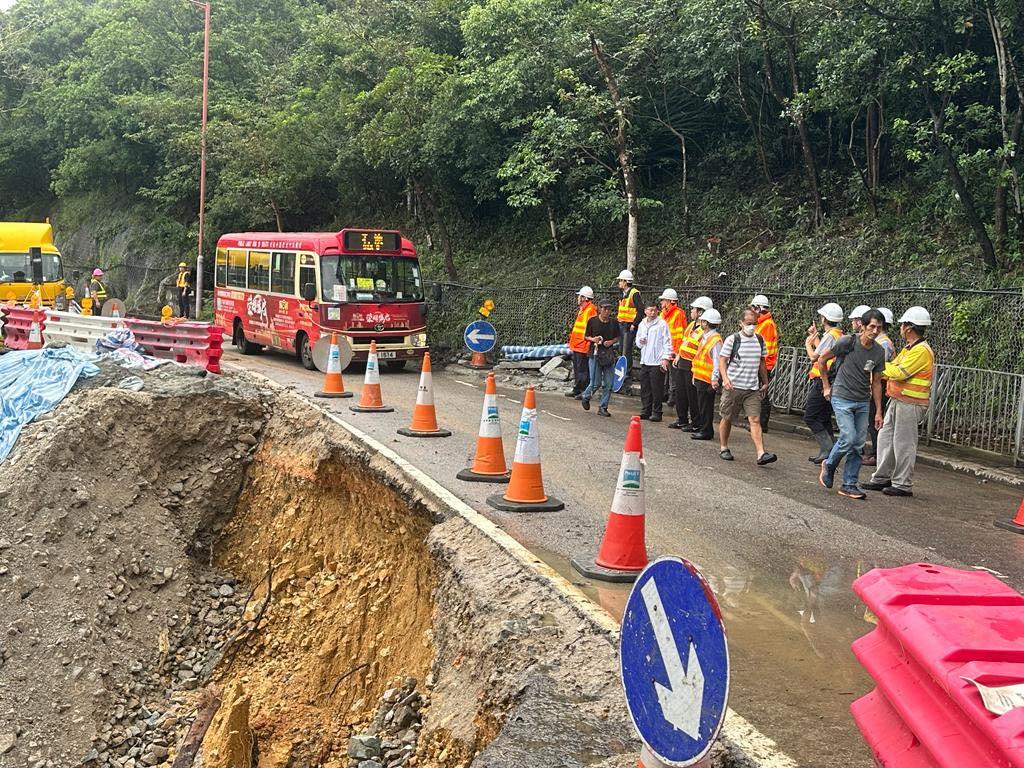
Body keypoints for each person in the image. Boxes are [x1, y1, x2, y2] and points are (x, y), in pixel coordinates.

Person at [862, 307, 934, 497]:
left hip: (911, 403)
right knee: (886, 438)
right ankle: (882, 477)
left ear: (909, 327)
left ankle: (902, 484)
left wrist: (878, 369)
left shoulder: (921, 351)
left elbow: (900, 372)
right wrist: (882, 368)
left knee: (904, 443)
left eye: (903, 325)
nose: (900, 327)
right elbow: (893, 365)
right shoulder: (910, 348)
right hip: (898, 400)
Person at [817, 309, 886, 500]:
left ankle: (849, 484)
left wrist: (878, 410)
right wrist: (825, 386)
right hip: (841, 395)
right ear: (862, 326)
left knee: (857, 444)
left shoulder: (879, 352)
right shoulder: (848, 342)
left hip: (863, 400)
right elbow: (822, 359)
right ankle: (829, 465)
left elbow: (877, 382)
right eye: (871, 326)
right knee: (848, 437)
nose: (874, 331)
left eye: (878, 328)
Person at [718, 308, 778, 465]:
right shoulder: (733, 340)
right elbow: (723, 360)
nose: (751, 326)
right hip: (733, 387)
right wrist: (725, 378)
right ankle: (724, 447)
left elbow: (761, 362)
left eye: (754, 323)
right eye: (748, 323)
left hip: (752, 388)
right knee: (727, 418)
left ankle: (761, 453)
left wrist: (765, 381)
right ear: (741, 323)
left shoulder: (759, 340)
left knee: (755, 419)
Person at [803, 302, 844, 463]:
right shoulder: (837, 334)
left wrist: (808, 344)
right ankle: (829, 451)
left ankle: (827, 449)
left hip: (824, 380)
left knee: (811, 415)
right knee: (825, 416)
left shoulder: (831, 335)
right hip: (830, 379)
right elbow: (824, 351)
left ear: (824, 318)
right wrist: (816, 337)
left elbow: (815, 357)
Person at [671, 296, 712, 431]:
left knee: (692, 395)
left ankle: (695, 423)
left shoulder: (704, 330)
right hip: (682, 362)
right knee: (680, 393)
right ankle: (682, 419)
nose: (692, 311)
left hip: (692, 365)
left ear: (701, 312)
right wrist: (678, 356)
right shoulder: (691, 326)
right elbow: (684, 342)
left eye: (694, 309)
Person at [863, 307, 896, 466]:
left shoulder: (883, 344)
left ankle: (877, 454)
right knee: (872, 420)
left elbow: (877, 367)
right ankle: (875, 452)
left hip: (880, 383)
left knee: (875, 420)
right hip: (877, 383)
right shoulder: (880, 341)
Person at [580, 300, 620, 416]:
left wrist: (611, 342)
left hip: (608, 355)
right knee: (595, 382)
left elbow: (617, 337)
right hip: (595, 353)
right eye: (604, 309)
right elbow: (586, 336)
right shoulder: (593, 321)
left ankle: (603, 407)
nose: (607, 311)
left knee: (608, 383)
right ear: (599, 309)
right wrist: (594, 339)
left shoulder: (614, 323)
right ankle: (586, 396)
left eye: (609, 309)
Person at [635, 301, 672, 422]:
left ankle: (657, 412)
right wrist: (641, 341)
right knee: (645, 387)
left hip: (657, 362)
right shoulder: (642, 324)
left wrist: (666, 358)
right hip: (645, 360)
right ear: (645, 311)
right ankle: (646, 410)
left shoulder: (662, 324)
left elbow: (667, 341)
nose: (652, 312)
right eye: (650, 310)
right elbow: (637, 342)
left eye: (654, 310)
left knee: (657, 388)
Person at [690, 308, 723, 440]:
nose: (701, 323)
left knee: (706, 406)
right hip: (700, 377)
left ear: (707, 323)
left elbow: (717, 361)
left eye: (703, 321)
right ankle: (704, 429)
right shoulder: (705, 337)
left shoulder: (714, 339)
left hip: (708, 379)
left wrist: (714, 380)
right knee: (702, 405)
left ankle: (706, 431)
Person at [751, 294, 779, 431]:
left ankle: (762, 423)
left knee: (762, 394)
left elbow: (764, 350)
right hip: (761, 364)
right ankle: (759, 422)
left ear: (758, 308)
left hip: (764, 365)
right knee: (759, 393)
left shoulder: (766, 325)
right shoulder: (762, 323)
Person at [566, 286, 597, 399]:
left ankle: (583, 391)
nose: (577, 298)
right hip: (578, 345)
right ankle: (577, 388)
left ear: (584, 298)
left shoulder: (590, 310)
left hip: (583, 345)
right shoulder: (584, 309)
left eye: (579, 296)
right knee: (578, 369)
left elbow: (591, 329)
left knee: (583, 370)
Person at [659, 288, 686, 411]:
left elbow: (679, 334)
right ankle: (665, 394)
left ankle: (672, 396)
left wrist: (676, 350)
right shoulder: (663, 313)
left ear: (669, 301)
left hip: (673, 348)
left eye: (663, 300)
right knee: (665, 372)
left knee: (672, 375)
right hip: (665, 347)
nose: (661, 302)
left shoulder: (678, 313)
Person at [616, 270, 643, 376]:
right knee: (621, 349)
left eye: (620, 281)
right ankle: (622, 372)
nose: (619, 283)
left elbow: (640, 310)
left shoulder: (634, 293)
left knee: (626, 351)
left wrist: (634, 324)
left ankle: (626, 373)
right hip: (621, 324)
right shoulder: (623, 294)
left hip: (629, 326)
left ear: (625, 282)